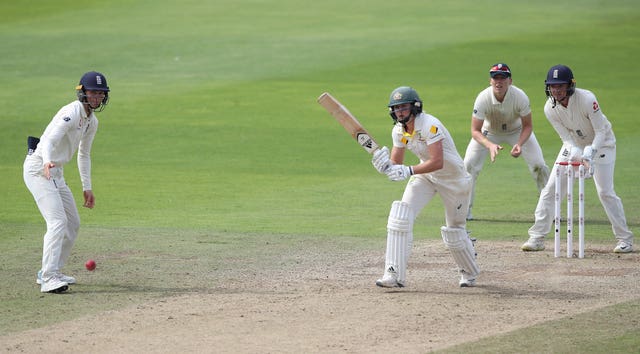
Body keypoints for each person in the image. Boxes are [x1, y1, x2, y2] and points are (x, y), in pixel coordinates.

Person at [371, 86, 479, 288]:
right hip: (426, 176)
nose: (400, 112)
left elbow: (438, 161)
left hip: (454, 180)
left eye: (403, 107)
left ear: (415, 107)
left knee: (454, 232)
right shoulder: (399, 131)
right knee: (400, 216)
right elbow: (396, 165)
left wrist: (409, 170)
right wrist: (384, 165)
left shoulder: (430, 125)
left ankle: (469, 272)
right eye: (396, 108)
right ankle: (393, 274)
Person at [522, 65, 633, 253]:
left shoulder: (587, 99)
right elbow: (565, 138)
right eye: (552, 86)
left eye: (560, 86)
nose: (556, 90)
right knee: (551, 189)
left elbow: (601, 131)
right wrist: (576, 152)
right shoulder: (550, 108)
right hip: (575, 145)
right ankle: (537, 237)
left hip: (603, 144)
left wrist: (591, 152)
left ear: (570, 85)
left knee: (605, 192)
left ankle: (625, 239)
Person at [23, 71, 110, 293]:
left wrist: (87, 187)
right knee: (57, 222)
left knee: (73, 223)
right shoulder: (70, 112)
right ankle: (48, 278)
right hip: (39, 168)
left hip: (56, 172)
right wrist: (48, 161)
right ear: (82, 92)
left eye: (101, 94)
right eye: (93, 93)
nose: (97, 98)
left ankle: (51, 270)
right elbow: (50, 140)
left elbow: (84, 155)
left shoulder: (92, 121)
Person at [463, 63, 549, 220]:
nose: (499, 82)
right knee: (468, 164)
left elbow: (528, 126)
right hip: (489, 132)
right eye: (495, 78)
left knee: (539, 165)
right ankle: (464, 211)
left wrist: (519, 144)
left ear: (510, 81)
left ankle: (549, 210)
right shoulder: (483, 98)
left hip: (517, 131)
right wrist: (489, 145)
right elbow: (475, 130)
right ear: (490, 81)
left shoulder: (520, 96)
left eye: (503, 78)